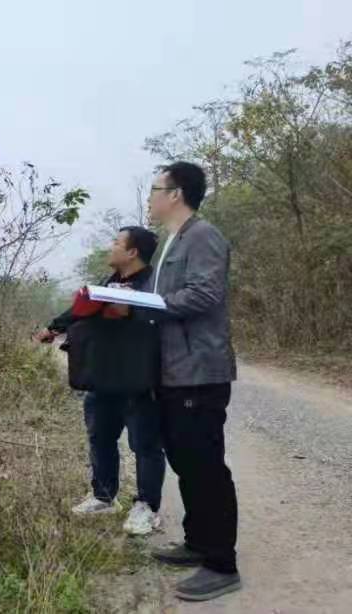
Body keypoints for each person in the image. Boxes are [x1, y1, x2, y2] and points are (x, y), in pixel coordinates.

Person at [147, 162, 241, 602]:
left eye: (155, 188)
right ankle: (198, 541)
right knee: (185, 461)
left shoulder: (203, 236)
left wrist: (149, 304)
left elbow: (205, 293)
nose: (150, 197)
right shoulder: (173, 239)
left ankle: (221, 563)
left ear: (176, 193)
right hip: (174, 371)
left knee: (205, 465)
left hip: (199, 371)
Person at [36, 226, 166, 536]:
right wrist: (53, 328)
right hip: (103, 374)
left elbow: (163, 319)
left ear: (132, 252)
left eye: (117, 243)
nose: (111, 247)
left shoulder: (155, 284)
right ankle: (104, 496)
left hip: (138, 377)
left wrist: (131, 312)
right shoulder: (111, 282)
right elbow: (81, 309)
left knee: (144, 444)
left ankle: (147, 507)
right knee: (100, 436)